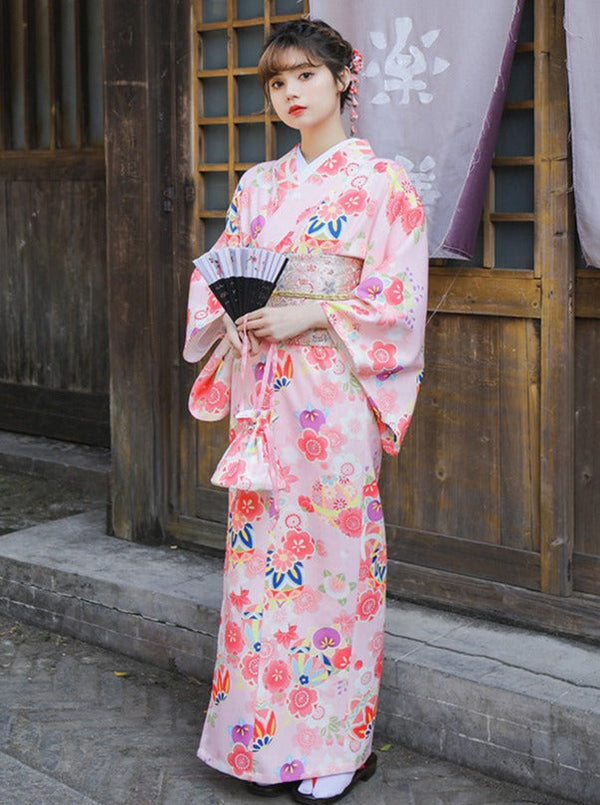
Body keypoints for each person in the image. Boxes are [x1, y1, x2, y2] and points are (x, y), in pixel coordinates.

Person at [183, 18, 428, 804]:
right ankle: (260, 741)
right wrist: (234, 312)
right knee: (262, 565)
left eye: (305, 77)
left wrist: (313, 316)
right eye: (277, 82)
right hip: (266, 394)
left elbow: (398, 297)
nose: (290, 93)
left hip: (333, 391)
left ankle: (342, 744)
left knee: (335, 557)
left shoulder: (384, 184)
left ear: (343, 80)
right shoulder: (259, 186)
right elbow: (219, 277)